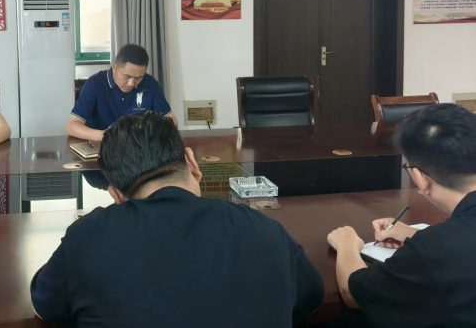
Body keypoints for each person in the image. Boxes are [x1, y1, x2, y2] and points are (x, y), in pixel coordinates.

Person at [32, 112, 323, 327]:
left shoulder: (87, 239)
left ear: (116, 195)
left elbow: (45, 304)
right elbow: (310, 296)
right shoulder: (265, 231)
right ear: (192, 163)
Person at [327, 103, 476, 327]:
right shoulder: (444, 241)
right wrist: (413, 234)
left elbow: (353, 294)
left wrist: (346, 243)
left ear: (420, 178)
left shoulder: (434, 249)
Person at [66, 43, 176, 142]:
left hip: (137, 146)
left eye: (138, 78)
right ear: (114, 67)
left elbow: (171, 120)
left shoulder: (150, 84)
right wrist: (106, 136)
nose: (132, 83)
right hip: (102, 145)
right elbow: (72, 126)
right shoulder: (95, 84)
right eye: (127, 76)